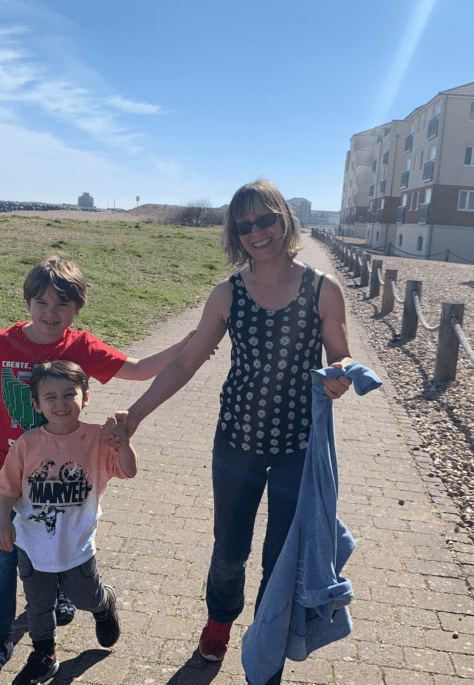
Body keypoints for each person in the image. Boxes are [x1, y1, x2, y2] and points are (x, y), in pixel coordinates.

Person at [124, 180, 355, 685]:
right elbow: (187, 360)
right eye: (244, 225)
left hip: (299, 446)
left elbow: (340, 351)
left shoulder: (323, 289)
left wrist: (341, 373)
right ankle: (218, 624)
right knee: (229, 551)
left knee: (280, 559)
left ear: (284, 220)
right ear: (235, 233)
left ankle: (266, 645)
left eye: (266, 219)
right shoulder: (227, 293)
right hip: (236, 444)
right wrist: (136, 413)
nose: (257, 232)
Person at [0, 255, 192, 685]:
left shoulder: (81, 346)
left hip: (59, 476)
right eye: (42, 303)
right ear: (28, 302)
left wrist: (190, 342)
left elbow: (139, 369)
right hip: (6, 469)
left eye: (62, 305)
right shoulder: (1, 343)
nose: (50, 314)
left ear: (77, 309)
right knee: (2, 552)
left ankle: (67, 595)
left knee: (56, 536)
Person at [0, 360, 134, 684]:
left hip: (76, 545)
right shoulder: (27, 444)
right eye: (51, 397)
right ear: (36, 403)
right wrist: (2, 524)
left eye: (69, 394)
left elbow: (128, 470)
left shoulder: (98, 439)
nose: (61, 403)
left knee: (84, 596)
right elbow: (7, 487)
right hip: (31, 543)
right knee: (39, 606)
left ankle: (104, 603)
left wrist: (124, 441)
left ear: (86, 397)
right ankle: (44, 654)